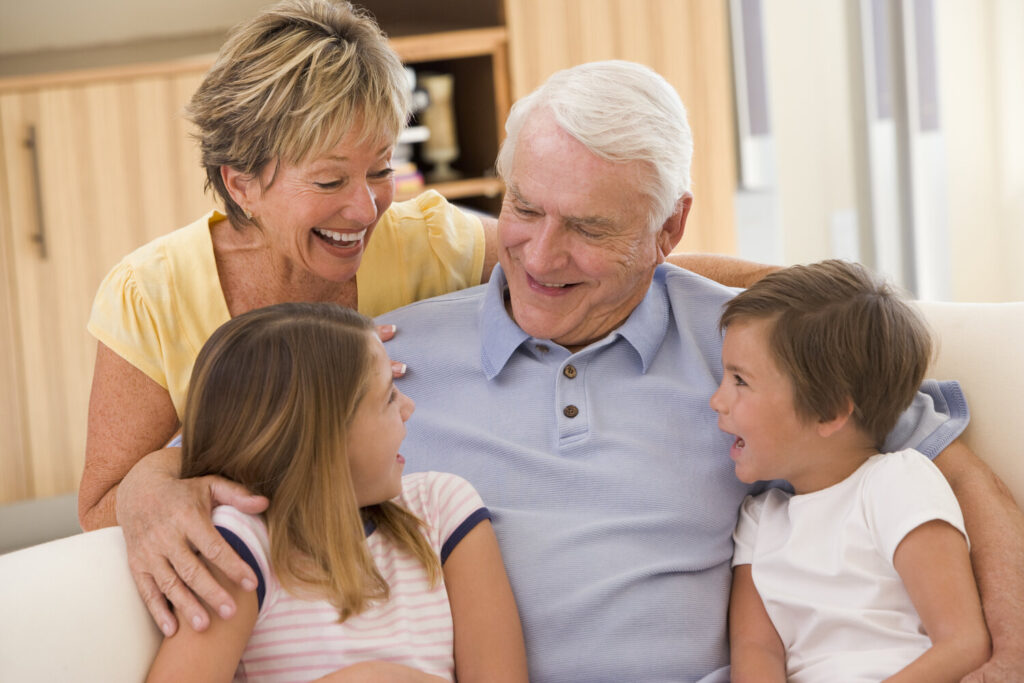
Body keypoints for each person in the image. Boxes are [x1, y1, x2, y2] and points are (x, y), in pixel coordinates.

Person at [107, 58, 1024, 681]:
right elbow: (229, 446)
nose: (540, 256)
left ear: (668, 230)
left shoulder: (757, 353)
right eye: (525, 209)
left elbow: (951, 464)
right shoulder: (380, 359)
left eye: (588, 227)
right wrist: (153, 476)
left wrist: (1007, 657)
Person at [80, 0, 768, 636]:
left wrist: (823, 295)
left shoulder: (423, 242)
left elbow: (611, 257)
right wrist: (154, 478)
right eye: (329, 182)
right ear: (241, 183)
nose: (364, 210)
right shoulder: (153, 292)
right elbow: (102, 499)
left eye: (380, 169)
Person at [145, 302, 527, 683]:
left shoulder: (442, 510)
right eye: (389, 397)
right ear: (324, 439)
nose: (408, 407)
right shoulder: (240, 548)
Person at [712, 260, 990, 682]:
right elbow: (756, 651)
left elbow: (964, 643)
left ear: (828, 412)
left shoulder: (897, 483)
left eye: (740, 381)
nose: (717, 399)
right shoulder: (758, 520)